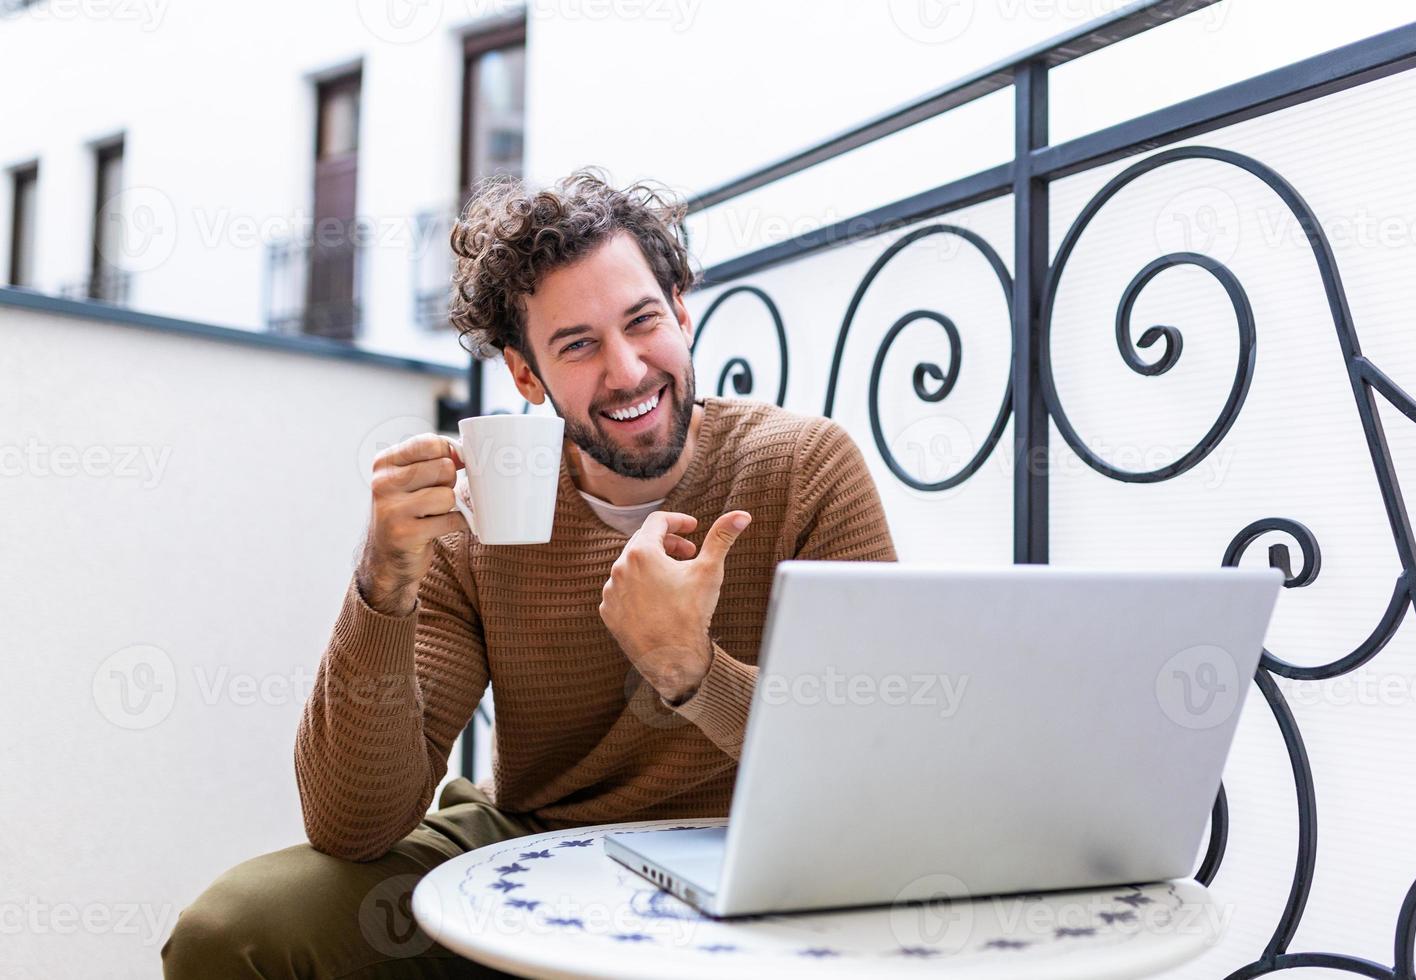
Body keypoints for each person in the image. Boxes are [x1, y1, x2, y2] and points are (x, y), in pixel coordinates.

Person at [162, 168, 896, 978]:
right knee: (235, 929)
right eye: (577, 345)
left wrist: (690, 669)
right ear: (524, 373)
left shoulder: (803, 468)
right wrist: (383, 581)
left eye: (643, 322)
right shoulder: (480, 515)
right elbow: (354, 826)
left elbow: (872, 764)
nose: (625, 371)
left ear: (682, 311)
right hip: (533, 844)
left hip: (757, 853)